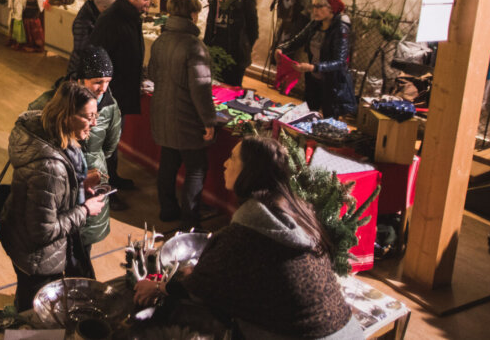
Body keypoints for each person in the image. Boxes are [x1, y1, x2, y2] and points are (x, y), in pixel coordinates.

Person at [134, 136, 363, 340]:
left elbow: (201, 288)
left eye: (233, 158)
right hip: (345, 328)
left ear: (250, 171)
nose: (225, 163)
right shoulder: (296, 212)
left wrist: (159, 288)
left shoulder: (248, 231)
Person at [0, 81, 107, 311]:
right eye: (88, 117)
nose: (94, 124)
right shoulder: (49, 168)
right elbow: (43, 230)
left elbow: (51, 197)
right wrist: (85, 210)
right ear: (66, 116)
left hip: (21, 239)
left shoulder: (50, 135)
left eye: (96, 116)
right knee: (33, 318)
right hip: (37, 258)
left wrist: (77, 186)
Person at [28, 46, 122, 254]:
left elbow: (110, 146)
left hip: (91, 182)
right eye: (97, 81)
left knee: (82, 247)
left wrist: (91, 165)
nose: (103, 88)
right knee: (54, 244)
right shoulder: (47, 104)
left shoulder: (109, 106)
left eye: (108, 81)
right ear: (79, 79)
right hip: (57, 184)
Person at [148, 0, 217, 229]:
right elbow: (201, 89)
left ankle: (167, 209)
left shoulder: (161, 40)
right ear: (192, 14)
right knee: (196, 168)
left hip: (162, 111)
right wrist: (209, 120)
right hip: (186, 116)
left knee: (168, 161)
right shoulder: (194, 45)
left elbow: (152, 74)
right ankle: (190, 219)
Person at [88, 0, 153, 189]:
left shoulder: (130, 16)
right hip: (111, 92)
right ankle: (102, 187)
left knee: (113, 140)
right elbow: (98, 55)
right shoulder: (113, 19)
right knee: (105, 142)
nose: (148, 3)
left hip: (121, 90)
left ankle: (112, 178)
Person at [275, 0, 357, 118]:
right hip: (313, 79)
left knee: (328, 121)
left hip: (332, 84)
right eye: (314, 6)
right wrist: (282, 49)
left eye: (319, 6)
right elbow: (298, 40)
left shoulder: (340, 29)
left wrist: (313, 67)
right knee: (308, 115)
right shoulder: (315, 24)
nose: (315, 10)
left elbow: (341, 62)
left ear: (331, 8)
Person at [204, 0, 260, 87]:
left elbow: (253, 31)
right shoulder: (214, 0)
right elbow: (210, 26)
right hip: (216, 52)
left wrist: (245, 47)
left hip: (236, 56)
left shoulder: (245, 3)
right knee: (214, 87)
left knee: (232, 89)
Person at [66, 0, 114, 78]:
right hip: (80, 69)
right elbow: (81, 48)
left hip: (90, 67)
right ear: (98, 5)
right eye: (105, 7)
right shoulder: (83, 21)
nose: (106, 10)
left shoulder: (96, 15)